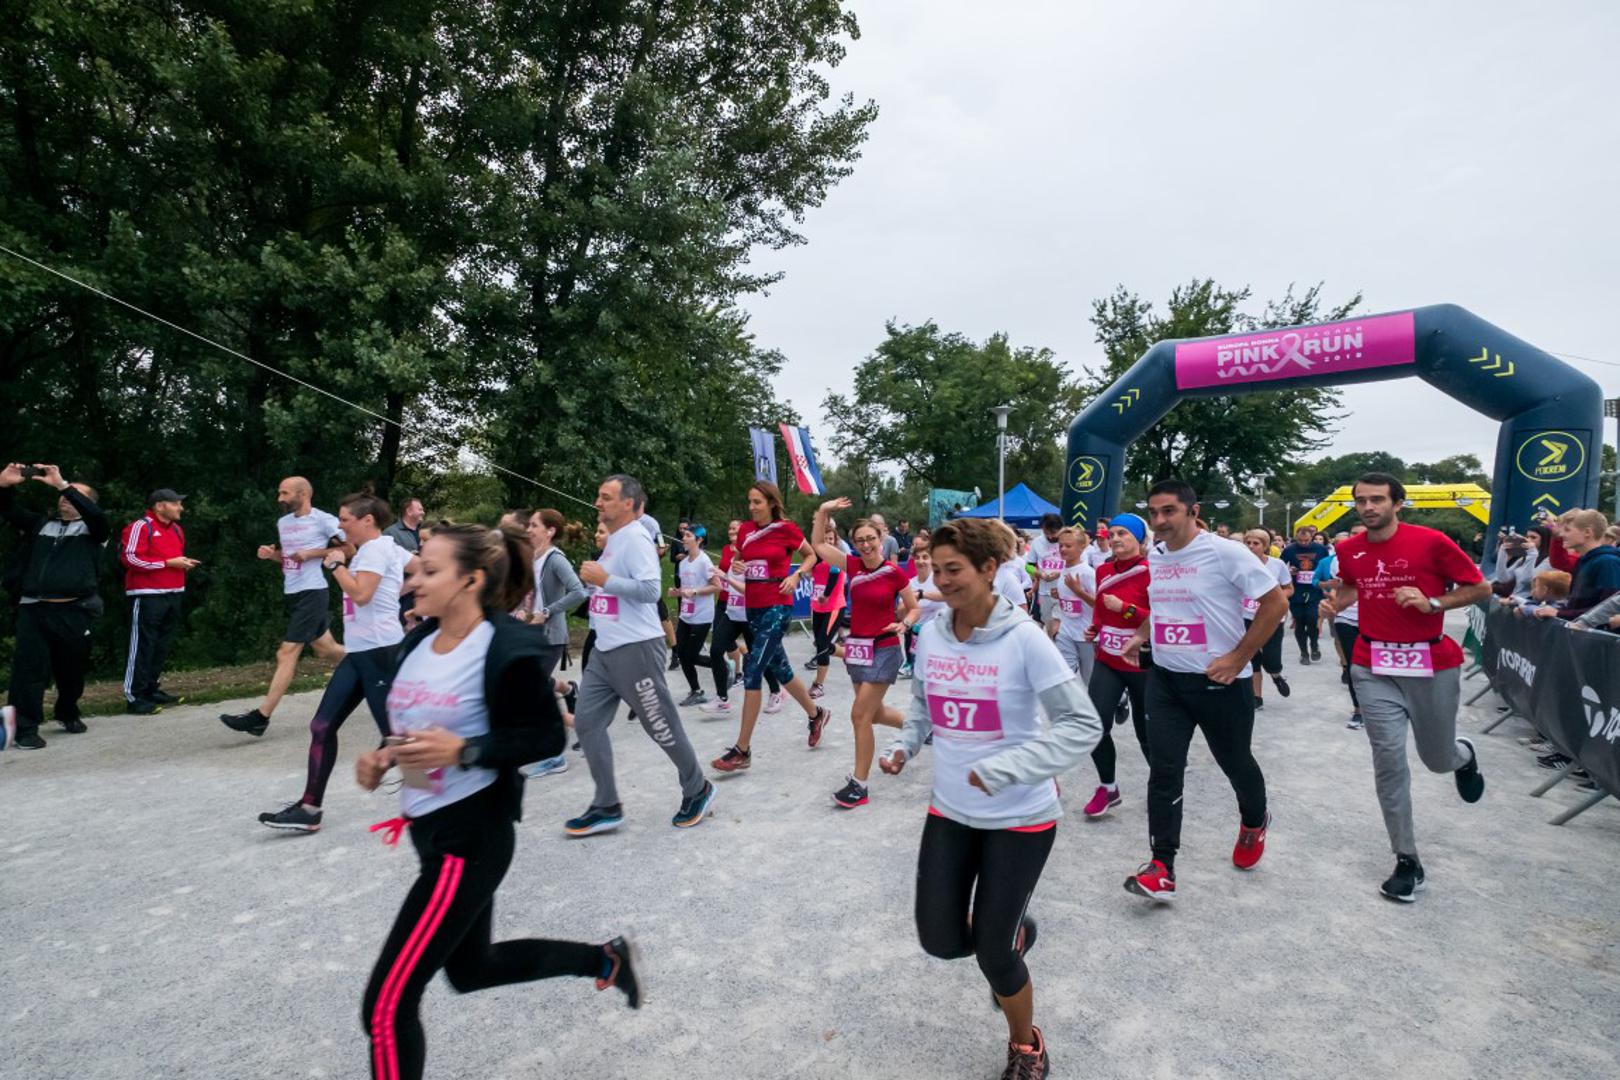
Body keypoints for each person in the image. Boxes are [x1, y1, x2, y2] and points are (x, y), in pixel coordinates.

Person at [353, 523, 640, 1080]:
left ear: (471, 580)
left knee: (385, 1008)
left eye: (430, 570)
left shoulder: (502, 646)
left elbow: (545, 737)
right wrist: (386, 754)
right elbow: (420, 722)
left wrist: (465, 751)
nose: (414, 580)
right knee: (472, 969)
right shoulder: (418, 641)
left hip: (469, 841)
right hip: (428, 830)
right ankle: (605, 958)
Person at [878, 517, 1102, 1080]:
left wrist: (1011, 767)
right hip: (950, 810)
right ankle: (1014, 931)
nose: (941, 580)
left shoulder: (1024, 638)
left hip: (1020, 816)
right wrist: (906, 745)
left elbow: (1082, 724)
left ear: (989, 568)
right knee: (940, 940)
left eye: (953, 569)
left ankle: (1026, 1045)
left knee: (993, 955)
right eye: (935, 569)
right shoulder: (932, 632)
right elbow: (924, 703)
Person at [1324, 473, 1491, 902]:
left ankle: (1461, 756)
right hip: (1372, 664)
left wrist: (1433, 602)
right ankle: (1406, 858)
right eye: (1361, 500)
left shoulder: (1431, 542)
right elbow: (1352, 584)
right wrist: (1336, 603)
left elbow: (1480, 587)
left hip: (1431, 663)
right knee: (1388, 760)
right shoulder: (1348, 548)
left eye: (1377, 500)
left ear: (1398, 503)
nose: (1368, 507)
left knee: (1436, 759)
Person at [1120, 480, 1285, 903]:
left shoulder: (1225, 552)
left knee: (1235, 763)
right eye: (1153, 512)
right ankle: (1162, 866)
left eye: (1169, 511)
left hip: (1220, 683)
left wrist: (1238, 657)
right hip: (1166, 680)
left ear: (1193, 512)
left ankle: (1254, 821)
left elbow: (1275, 604)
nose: (1159, 521)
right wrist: (1142, 635)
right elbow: (1164, 605)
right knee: (1164, 770)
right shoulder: (1156, 556)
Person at [565, 475, 715, 836]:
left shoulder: (635, 537)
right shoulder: (614, 540)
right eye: (598, 496)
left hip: (636, 648)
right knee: (586, 723)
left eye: (606, 497)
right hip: (605, 650)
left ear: (628, 504)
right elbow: (612, 589)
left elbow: (649, 590)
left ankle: (697, 788)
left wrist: (604, 580)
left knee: (660, 726)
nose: (597, 503)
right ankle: (606, 805)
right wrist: (594, 585)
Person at [258, 494, 416, 832]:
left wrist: (336, 566)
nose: (341, 527)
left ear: (367, 520)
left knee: (396, 738)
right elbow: (420, 569)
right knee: (321, 726)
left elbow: (361, 594)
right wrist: (399, 591)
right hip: (359, 652)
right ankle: (310, 808)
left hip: (379, 651)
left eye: (345, 520)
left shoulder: (375, 550)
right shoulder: (384, 547)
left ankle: (440, 807)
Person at [712, 481, 833, 772]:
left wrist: (796, 576)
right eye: (750, 501)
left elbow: (811, 555)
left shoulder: (786, 529)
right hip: (753, 608)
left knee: (753, 671)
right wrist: (737, 566)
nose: (752, 507)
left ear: (771, 503)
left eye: (757, 502)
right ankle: (816, 714)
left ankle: (742, 750)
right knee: (782, 669)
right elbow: (739, 560)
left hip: (778, 607)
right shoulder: (745, 530)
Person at [811, 497, 918, 808]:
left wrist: (904, 624)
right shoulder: (852, 565)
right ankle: (920, 727)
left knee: (860, 714)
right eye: (860, 541)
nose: (866, 545)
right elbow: (818, 544)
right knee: (875, 713)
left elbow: (914, 608)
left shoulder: (894, 572)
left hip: (885, 649)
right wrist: (823, 511)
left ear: (881, 538)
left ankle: (860, 785)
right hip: (858, 650)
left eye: (871, 538)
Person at [220, 477, 347, 737]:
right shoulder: (284, 523)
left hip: (313, 591)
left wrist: (312, 553)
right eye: (280, 493)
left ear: (303, 494)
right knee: (327, 649)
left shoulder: (324, 520)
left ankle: (260, 717)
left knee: (286, 652)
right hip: (293, 593)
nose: (280, 498)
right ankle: (380, 664)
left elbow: (350, 548)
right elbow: (287, 559)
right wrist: (271, 555)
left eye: (285, 493)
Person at [0, 462, 110, 748]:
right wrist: (4, 485)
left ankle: (67, 711)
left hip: (74, 610)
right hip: (34, 609)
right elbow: (7, 509)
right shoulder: (40, 525)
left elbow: (97, 516)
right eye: (63, 495)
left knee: (71, 670)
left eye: (73, 494)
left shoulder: (95, 530)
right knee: (28, 671)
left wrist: (63, 484)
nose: (65, 498)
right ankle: (25, 729)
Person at [1079, 513, 1152, 819]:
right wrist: (1096, 627)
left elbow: (1157, 616)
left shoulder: (1151, 571)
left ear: (1140, 538)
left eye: (1123, 533)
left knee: (1148, 733)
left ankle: (1162, 784)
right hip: (1108, 659)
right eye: (1112, 534)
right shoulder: (1103, 570)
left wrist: (1125, 609)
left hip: (1142, 662)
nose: (1116, 538)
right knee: (1094, 725)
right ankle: (1108, 788)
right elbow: (1100, 606)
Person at [518, 508, 587, 779]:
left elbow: (578, 591)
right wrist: (522, 610)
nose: (529, 529)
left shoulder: (555, 559)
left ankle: (555, 755)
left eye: (534, 525)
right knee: (526, 687)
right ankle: (568, 690)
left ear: (550, 531)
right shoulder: (533, 556)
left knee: (531, 693)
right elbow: (530, 594)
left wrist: (547, 611)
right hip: (530, 634)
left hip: (550, 637)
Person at [119, 488, 199, 714]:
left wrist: (182, 563)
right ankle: (134, 696)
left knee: (161, 645)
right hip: (147, 594)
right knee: (142, 644)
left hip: (174, 592)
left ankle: (150, 689)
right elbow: (130, 558)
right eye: (175, 503)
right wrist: (168, 563)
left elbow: (170, 559)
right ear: (160, 506)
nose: (180, 508)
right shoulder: (141, 526)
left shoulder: (176, 529)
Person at [705, 519, 784, 714]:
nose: (733, 532)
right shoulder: (732, 554)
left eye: (737, 530)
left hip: (750, 615)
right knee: (715, 650)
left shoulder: (754, 557)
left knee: (759, 657)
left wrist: (726, 577)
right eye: (730, 529)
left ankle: (776, 691)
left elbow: (749, 589)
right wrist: (718, 577)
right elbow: (729, 582)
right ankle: (722, 699)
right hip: (732, 613)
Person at [1241, 528, 1294, 710]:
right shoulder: (1239, 564)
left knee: (1271, 659)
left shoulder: (1277, 565)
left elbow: (1289, 588)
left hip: (1271, 617)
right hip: (1246, 616)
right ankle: (1257, 697)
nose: (1251, 546)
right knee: (1252, 658)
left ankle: (1276, 675)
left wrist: (1274, 599)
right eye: (1248, 543)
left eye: (1255, 543)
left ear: (1265, 546)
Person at [1536, 509, 1620, 621]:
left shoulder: (1608, 562)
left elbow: (1609, 610)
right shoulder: (1584, 561)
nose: (1561, 534)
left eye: (1567, 530)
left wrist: (1560, 613)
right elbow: (1577, 604)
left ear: (1587, 532)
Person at [670, 527, 719, 706]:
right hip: (686, 614)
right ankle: (696, 691)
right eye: (684, 535)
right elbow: (687, 588)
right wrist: (677, 592)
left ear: (699, 540)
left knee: (690, 655)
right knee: (681, 653)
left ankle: (720, 665)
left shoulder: (704, 561)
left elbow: (717, 586)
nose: (684, 538)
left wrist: (696, 591)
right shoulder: (683, 563)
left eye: (688, 536)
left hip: (702, 616)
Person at [807, 517, 848, 698]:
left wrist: (826, 594)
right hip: (817, 607)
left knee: (822, 644)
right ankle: (848, 655)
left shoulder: (836, 557)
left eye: (831, 539)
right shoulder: (815, 557)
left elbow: (833, 575)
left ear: (835, 540)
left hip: (834, 607)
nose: (828, 542)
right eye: (825, 539)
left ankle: (818, 685)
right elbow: (808, 572)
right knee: (820, 643)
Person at [1050, 528, 1097, 685]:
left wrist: (1078, 592)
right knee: (1062, 676)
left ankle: (1114, 699)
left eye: (1068, 546)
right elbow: (1067, 602)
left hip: (1086, 635)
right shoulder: (1064, 570)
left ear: (1082, 547)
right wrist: (1059, 595)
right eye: (1061, 545)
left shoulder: (1088, 573)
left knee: (1089, 680)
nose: (1063, 549)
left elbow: (1098, 604)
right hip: (1065, 632)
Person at [1281, 525, 1331, 665]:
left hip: (1314, 589)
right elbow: (1281, 567)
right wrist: (1289, 571)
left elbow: (1326, 567)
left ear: (1312, 538)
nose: (1303, 543)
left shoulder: (1320, 549)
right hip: (1296, 590)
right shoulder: (1289, 549)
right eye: (1300, 541)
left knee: (1312, 618)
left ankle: (1314, 644)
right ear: (1296, 538)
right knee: (1300, 621)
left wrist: (1324, 583)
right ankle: (1304, 652)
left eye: (1306, 540)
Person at [1027, 513, 1067, 630]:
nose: (1049, 537)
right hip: (1044, 592)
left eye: (1053, 533)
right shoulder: (1037, 542)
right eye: (1046, 533)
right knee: (1047, 624)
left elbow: (1079, 565)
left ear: (1061, 528)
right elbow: (1028, 566)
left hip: (1065, 590)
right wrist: (1040, 574)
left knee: (1061, 626)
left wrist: (1059, 573)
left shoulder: (1068, 540)